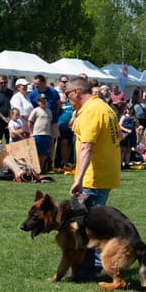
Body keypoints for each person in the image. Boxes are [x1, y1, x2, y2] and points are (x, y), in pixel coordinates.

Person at [67, 76, 122, 280]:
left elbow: (87, 146)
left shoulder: (91, 111)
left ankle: (88, 270)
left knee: (86, 226)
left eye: (67, 95)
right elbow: (120, 137)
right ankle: (98, 266)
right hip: (106, 173)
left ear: (76, 93)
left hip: (93, 176)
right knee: (95, 224)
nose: (67, 99)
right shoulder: (105, 108)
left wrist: (78, 179)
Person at [29, 75, 60, 170]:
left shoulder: (53, 91)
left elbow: (58, 104)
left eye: (37, 83)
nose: (36, 85)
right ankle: (39, 164)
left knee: (51, 142)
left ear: (43, 83)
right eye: (35, 83)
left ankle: (49, 163)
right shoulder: (33, 94)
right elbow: (32, 108)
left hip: (52, 120)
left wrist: (54, 114)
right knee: (39, 144)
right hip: (39, 123)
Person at [28, 94, 52, 172]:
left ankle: (41, 167)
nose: (43, 102)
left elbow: (50, 122)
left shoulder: (49, 111)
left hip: (46, 134)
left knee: (45, 152)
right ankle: (37, 168)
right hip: (37, 134)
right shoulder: (36, 110)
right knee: (38, 152)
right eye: (41, 100)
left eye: (45, 100)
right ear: (38, 102)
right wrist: (31, 133)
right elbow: (30, 122)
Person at [0, 75, 13, 143]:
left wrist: (9, 117)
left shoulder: (11, 93)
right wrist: (4, 118)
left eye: (5, 82)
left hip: (9, 122)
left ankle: (9, 153)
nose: (3, 84)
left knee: (9, 141)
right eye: (1, 83)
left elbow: (12, 107)